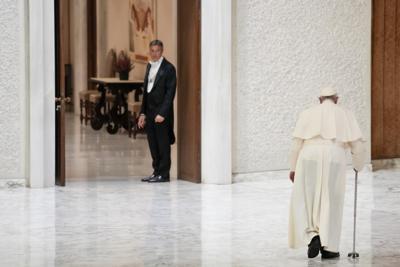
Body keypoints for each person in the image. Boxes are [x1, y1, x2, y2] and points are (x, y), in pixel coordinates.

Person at [288, 87, 366, 259]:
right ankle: (329, 247)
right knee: (332, 199)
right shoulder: (345, 114)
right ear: (337, 99)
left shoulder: (307, 113)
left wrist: (293, 168)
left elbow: (296, 144)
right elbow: (358, 146)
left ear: (320, 99)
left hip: (308, 155)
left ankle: (312, 235)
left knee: (308, 198)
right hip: (334, 155)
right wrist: (358, 165)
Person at [138, 40, 176, 183]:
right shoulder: (149, 66)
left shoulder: (169, 69)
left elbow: (170, 94)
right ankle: (156, 172)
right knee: (153, 144)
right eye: (152, 51)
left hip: (161, 114)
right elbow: (146, 93)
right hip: (150, 111)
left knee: (163, 144)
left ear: (162, 51)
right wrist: (142, 113)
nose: (154, 54)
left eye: (157, 51)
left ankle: (164, 174)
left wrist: (163, 113)